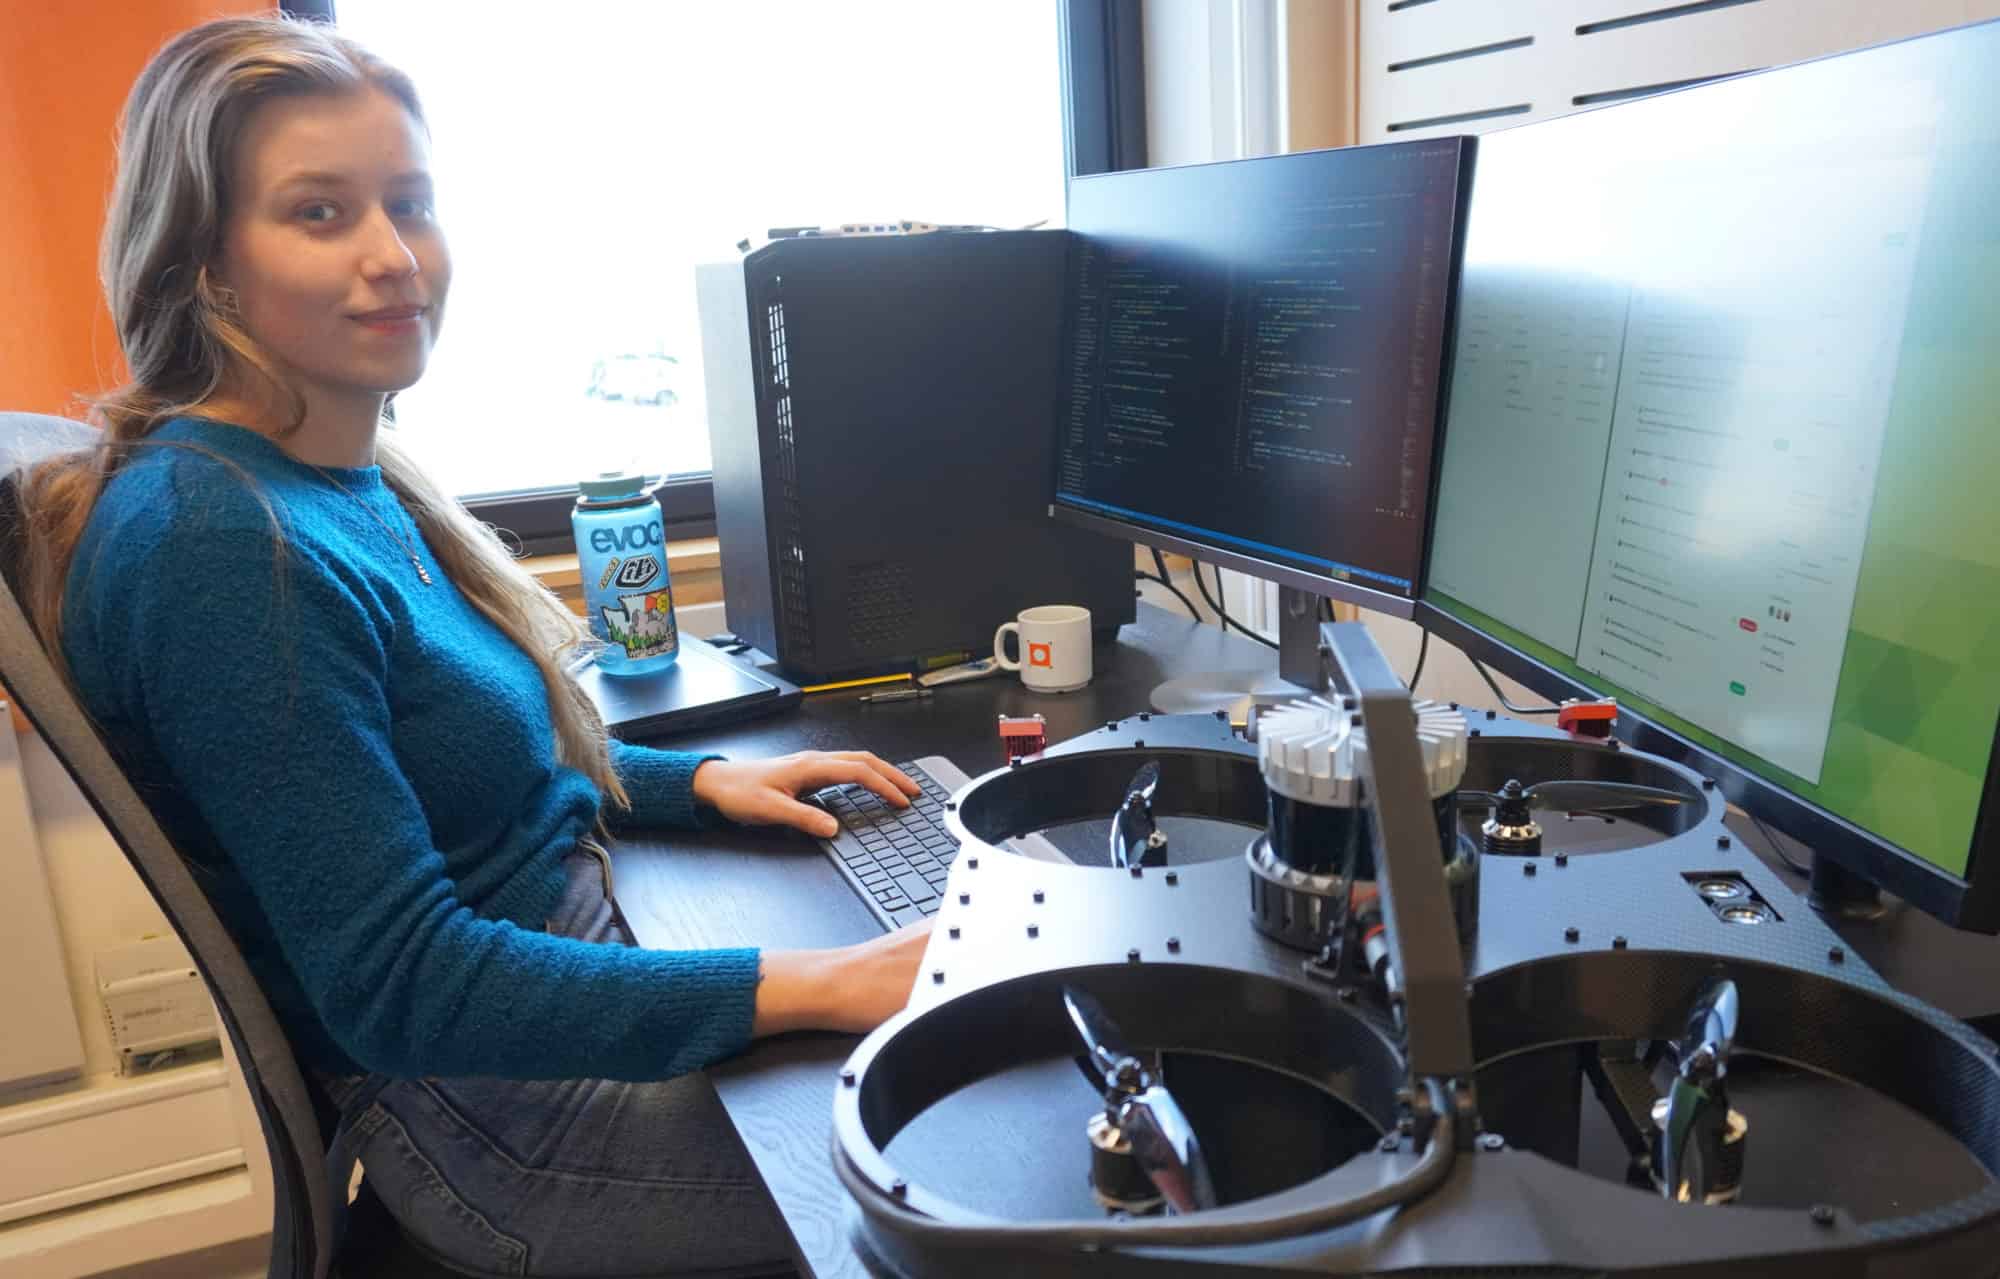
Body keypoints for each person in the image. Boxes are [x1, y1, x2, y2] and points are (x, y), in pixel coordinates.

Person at [18, 15, 930, 1275]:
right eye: (321, 213)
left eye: (411, 202)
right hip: (503, 1117)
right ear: (207, 266)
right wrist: (822, 981)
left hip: (560, 986)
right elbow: (404, 983)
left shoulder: (326, 460)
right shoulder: (220, 544)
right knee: (1007, 1179)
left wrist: (691, 783)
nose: (396, 258)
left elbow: (456, 758)